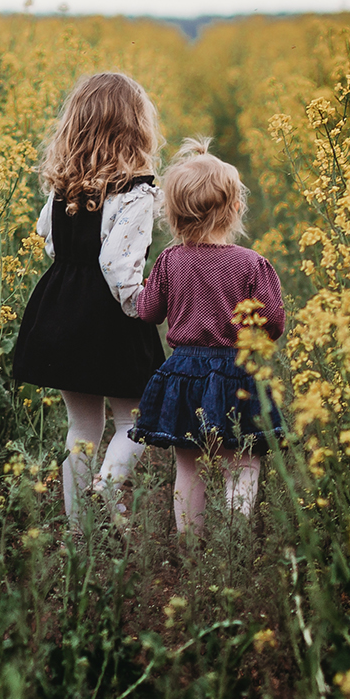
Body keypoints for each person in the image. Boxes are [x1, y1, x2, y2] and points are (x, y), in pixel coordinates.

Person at [10, 72, 167, 522]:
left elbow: (50, 242)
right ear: (135, 128)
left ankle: (79, 529)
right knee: (137, 419)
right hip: (110, 316)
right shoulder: (136, 193)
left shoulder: (63, 189)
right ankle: (107, 486)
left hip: (61, 308)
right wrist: (143, 307)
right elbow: (119, 266)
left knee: (82, 427)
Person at [128, 137, 287, 531]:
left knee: (189, 466)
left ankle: (189, 547)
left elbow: (148, 312)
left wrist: (147, 285)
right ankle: (233, 541)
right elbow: (274, 323)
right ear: (235, 208)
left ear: (172, 214)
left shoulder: (169, 260)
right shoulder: (252, 264)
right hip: (237, 373)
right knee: (244, 462)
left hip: (183, 374)